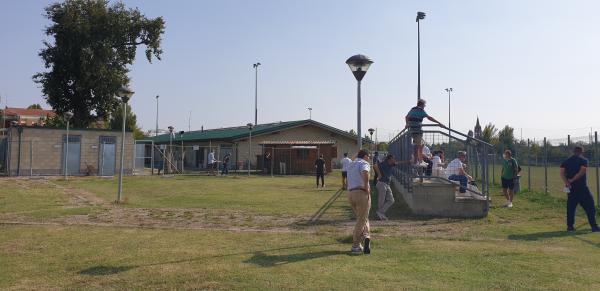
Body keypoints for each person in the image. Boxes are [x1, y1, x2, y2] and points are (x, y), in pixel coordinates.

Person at [560, 146, 599, 232]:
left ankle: (570, 227)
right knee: (590, 207)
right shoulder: (583, 160)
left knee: (571, 208)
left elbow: (562, 173)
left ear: (573, 151)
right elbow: (582, 171)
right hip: (582, 188)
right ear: (581, 152)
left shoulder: (566, 161)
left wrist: (567, 182)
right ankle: (594, 226)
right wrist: (573, 179)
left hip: (571, 188)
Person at [405, 99, 445, 165]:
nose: (425, 106)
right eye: (424, 105)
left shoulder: (413, 109)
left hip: (412, 130)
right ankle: (417, 161)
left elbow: (406, 117)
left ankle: (420, 160)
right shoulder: (421, 110)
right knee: (418, 146)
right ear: (422, 105)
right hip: (417, 131)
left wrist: (407, 124)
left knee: (421, 144)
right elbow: (429, 118)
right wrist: (439, 123)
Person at [347, 149, 372, 255]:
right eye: (369, 156)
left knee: (362, 217)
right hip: (361, 193)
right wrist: (366, 187)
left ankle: (366, 236)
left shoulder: (351, 164)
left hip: (351, 193)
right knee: (361, 220)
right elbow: (365, 173)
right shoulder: (364, 163)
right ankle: (356, 245)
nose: (369, 158)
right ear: (365, 156)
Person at [374, 154, 397, 220]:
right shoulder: (384, 163)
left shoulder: (391, 164)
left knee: (391, 200)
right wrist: (379, 175)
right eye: (393, 158)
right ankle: (380, 214)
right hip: (382, 183)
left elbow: (399, 162)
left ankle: (380, 212)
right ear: (390, 159)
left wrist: (408, 161)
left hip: (387, 184)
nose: (394, 159)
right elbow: (375, 166)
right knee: (382, 200)